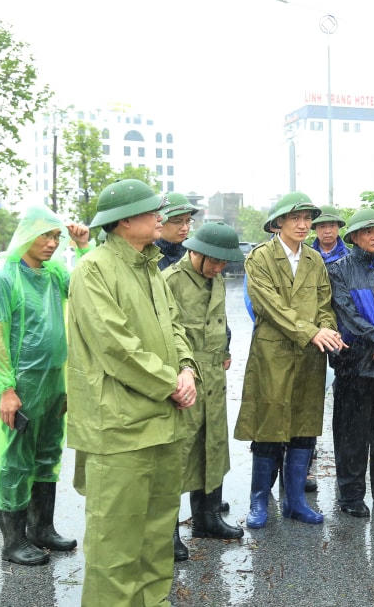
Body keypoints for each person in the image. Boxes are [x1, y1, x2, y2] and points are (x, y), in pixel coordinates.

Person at [66, 179, 200, 606]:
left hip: (163, 426)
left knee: (157, 541)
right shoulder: (94, 269)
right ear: (123, 221)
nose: (160, 217)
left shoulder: (150, 267)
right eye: (150, 211)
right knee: (115, 548)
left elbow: (175, 326)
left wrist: (186, 368)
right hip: (119, 430)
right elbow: (115, 346)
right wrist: (170, 384)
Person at [0, 205, 90, 566]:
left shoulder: (53, 275)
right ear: (26, 235)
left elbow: (88, 289)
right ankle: (13, 542)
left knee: (47, 455)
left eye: (57, 236)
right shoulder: (3, 279)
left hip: (53, 383)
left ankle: (42, 529)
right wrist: (6, 388)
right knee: (15, 462)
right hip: (20, 387)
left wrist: (83, 247)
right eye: (46, 236)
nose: (53, 243)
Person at [235, 192, 344, 528]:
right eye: (295, 218)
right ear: (278, 222)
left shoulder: (314, 260)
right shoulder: (259, 258)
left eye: (307, 218)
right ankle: (259, 502)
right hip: (272, 354)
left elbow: (325, 304)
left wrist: (329, 330)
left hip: (310, 356)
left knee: (304, 425)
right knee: (269, 426)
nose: (302, 225)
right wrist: (312, 331)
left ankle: (296, 500)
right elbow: (269, 306)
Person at [162, 222, 245, 559]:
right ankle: (165, 533)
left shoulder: (218, 278)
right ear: (194, 250)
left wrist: (225, 350)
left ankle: (207, 518)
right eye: (213, 261)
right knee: (178, 453)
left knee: (212, 445)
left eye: (224, 262)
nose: (218, 267)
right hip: (184, 379)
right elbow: (164, 333)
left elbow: (220, 322)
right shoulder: (170, 281)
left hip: (214, 378)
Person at [327, 208, 374, 517]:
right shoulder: (339, 270)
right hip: (354, 360)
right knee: (351, 432)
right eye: (369, 232)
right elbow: (347, 314)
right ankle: (351, 494)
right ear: (354, 237)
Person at [306, 204, 349, 491]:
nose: (327, 230)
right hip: (310, 337)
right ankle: (306, 462)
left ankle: (347, 472)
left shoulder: (349, 257)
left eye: (332, 225)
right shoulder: (306, 257)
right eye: (322, 225)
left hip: (344, 338)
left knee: (345, 407)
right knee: (308, 402)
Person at [155, 192, 198, 271]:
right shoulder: (145, 255)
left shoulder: (196, 254)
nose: (185, 228)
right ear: (160, 221)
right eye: (177, 221)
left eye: (188, 221)